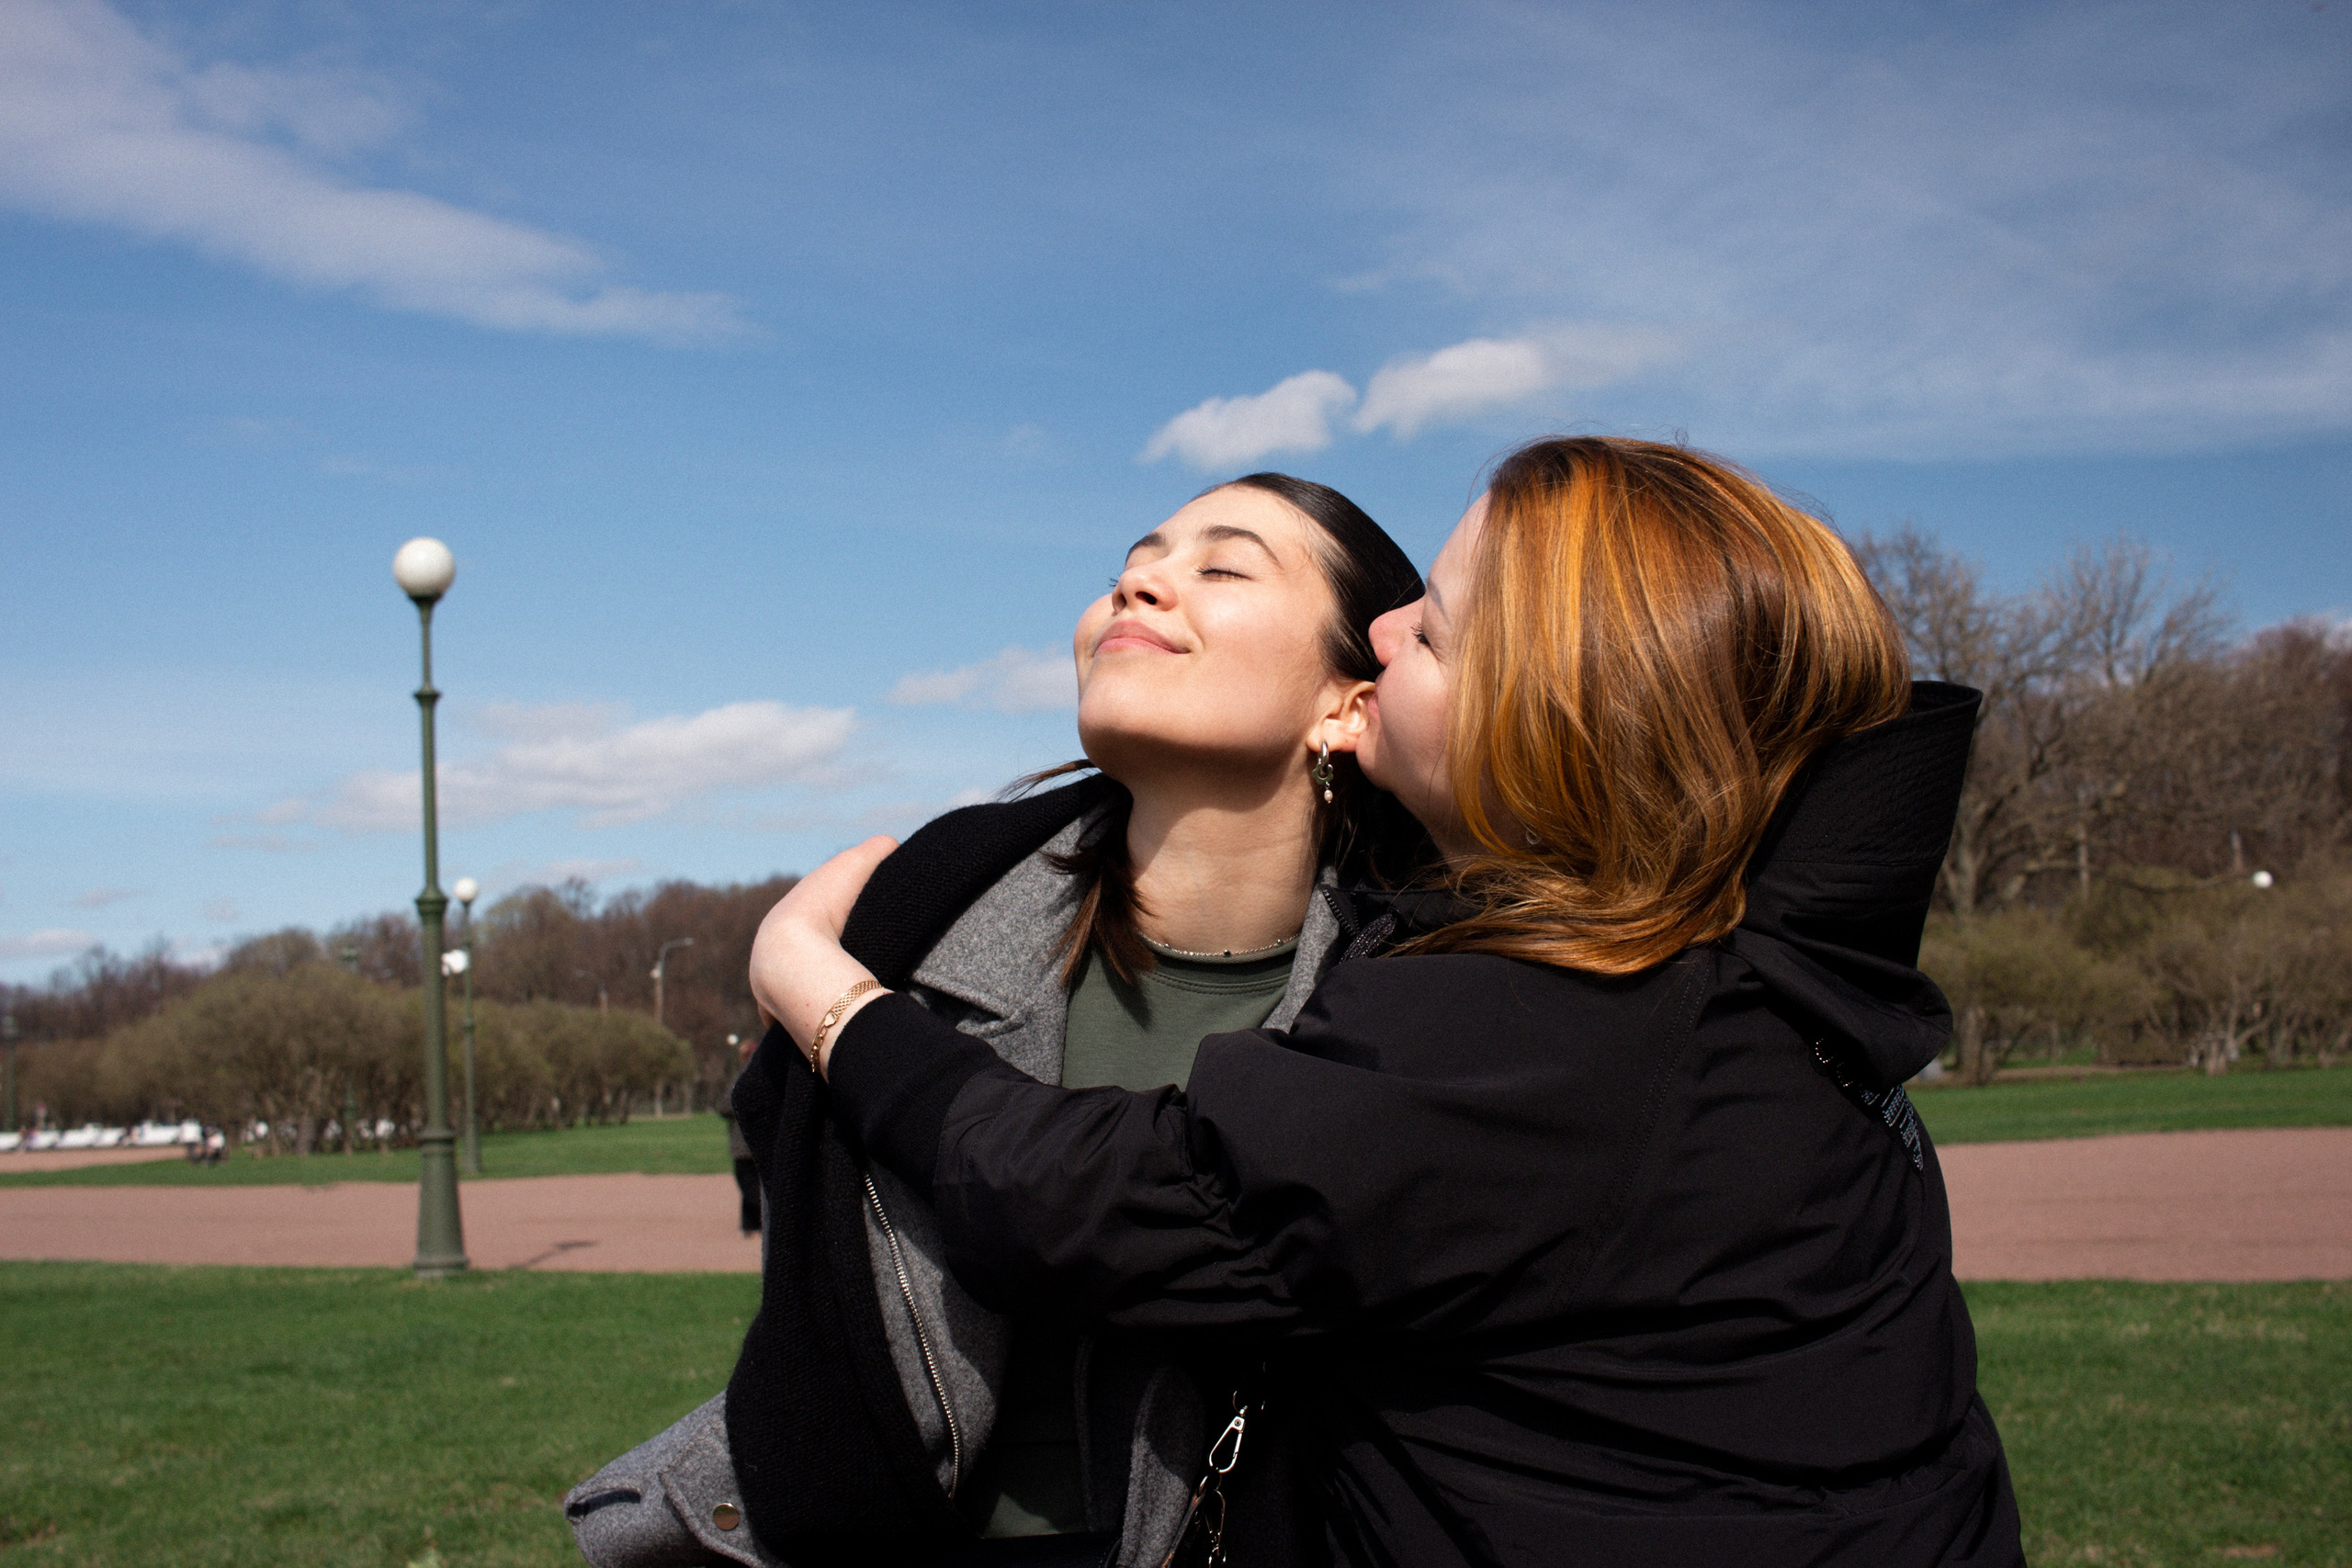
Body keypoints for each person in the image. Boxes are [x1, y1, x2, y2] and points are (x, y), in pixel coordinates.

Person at [753, 436, 2024, 1566]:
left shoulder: (1561, 1026)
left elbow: (1079, 1196)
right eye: (1136, 556)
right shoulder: (1761, 971)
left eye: (1435, 631)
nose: (1391, 630)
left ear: (1559, 718)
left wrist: (824, 991)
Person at [566, 474, 1426, 1568]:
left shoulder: (1430, 989)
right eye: (1132, 562)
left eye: (1220, 566)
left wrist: (817, 992)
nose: (1139, 583)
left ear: (1348, 704)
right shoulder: (924, 907)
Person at [717, 1033, 761, 1235]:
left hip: (744, 1145)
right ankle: (749, 1225)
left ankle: (764, 1222)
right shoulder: (767, 1076)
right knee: (751, 1186)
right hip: (757, 1144)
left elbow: (725, 1106)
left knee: (750, 1187)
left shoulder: (742, 1077)